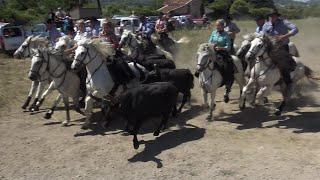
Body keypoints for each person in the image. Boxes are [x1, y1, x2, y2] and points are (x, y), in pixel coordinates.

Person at [262, 9, 298, 87]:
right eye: (270, 16)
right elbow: (263, 36)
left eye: (273, 15)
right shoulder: (266, 25)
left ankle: (288, 82)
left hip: (282, 47)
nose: (271, 17)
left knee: (283, 65)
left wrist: (284, 36)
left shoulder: (284, 22)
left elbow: (295, 29)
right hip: (270, 48)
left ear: (277, 16)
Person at [207, 19, 234, 97]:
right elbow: (209, 42)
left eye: (219, 25)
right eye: (216, 25)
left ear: (223, 26)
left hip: (222, 53)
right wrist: (212, 45)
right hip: (213, 51)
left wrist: (221, 48)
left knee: (226, 65)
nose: (217, 27)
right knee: (203, 61)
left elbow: (228, 46)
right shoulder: (213, 33)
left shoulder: (226, 35)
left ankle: (227, 82)